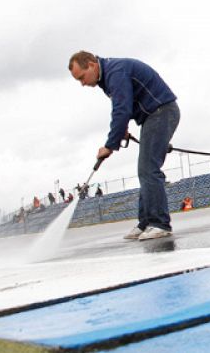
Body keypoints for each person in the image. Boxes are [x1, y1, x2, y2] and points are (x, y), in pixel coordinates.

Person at [69, 50, 180, 241]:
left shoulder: (115, 72)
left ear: (92, 65)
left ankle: (160, 223)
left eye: (82, 77)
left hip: (161, 113)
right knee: (145, 170)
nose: (83, 83)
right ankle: (145, 222)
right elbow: (125, 104)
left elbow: (122, 109)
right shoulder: (107, 76)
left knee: (148, 169)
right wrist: (122, 131)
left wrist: (110, 145)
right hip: (152, 116)